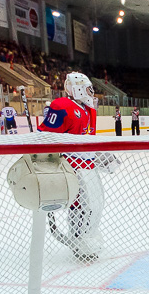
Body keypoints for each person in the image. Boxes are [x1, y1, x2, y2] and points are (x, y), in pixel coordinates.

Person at [39, 72, 116, 262]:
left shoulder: (87, 109)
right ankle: (78, 238)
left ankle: (87, 235)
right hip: (72, 165)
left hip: (88, 165)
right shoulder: (62, 106)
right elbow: (45, 135)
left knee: (96, 203)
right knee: (83, 204)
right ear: (78, 88)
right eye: (88, 88)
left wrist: (98, 154)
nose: (91, 92)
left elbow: (86, 138)